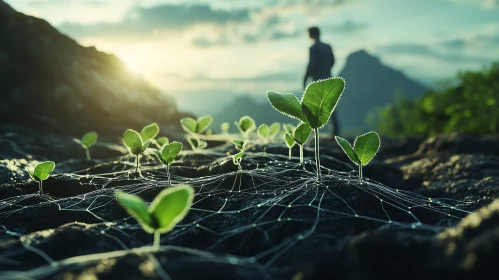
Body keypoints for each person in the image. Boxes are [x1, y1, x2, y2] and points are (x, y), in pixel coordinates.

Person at [303, 26, 339, 137]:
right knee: (330, 103)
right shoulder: (327, 47)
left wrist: (306, 77)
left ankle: (314, 130)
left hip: (317, 79)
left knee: (315, 104)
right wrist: (326, 69)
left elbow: (312, 64)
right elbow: (333, 61)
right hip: (328, 77)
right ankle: (335, 129)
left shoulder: (313, 48)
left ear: (311, 34)